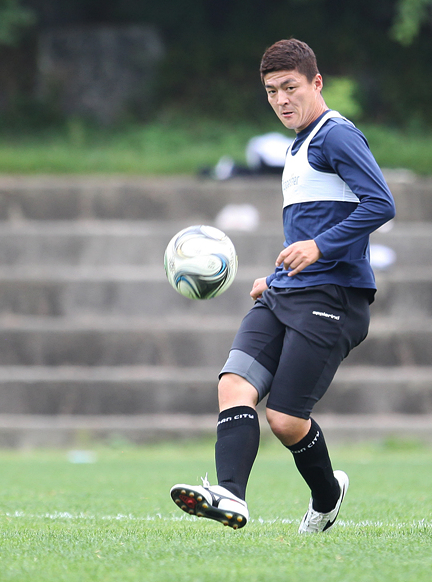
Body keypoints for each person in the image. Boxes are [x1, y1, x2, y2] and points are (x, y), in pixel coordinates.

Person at [170, 39, 396, 533]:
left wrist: (318, 247)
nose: (281, 99)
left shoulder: (336, 135)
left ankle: (328, 495)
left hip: (334, 297)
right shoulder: (297, 146)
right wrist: (274, 277)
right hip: (285, 292)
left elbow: (381, 203)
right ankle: (230, 495)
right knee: (234, 385)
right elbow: (310, 228)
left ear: (316, 82)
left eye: (290, 87)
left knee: (286, 420)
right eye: (272, 91)